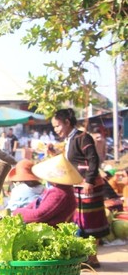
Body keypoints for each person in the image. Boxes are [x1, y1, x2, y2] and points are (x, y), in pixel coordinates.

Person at [51, 108, 109, 268]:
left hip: (87, 187)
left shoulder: (83, 137)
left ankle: (92, 258)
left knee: (91, 223)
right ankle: (87, 256)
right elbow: (73, 159)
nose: (56, 130)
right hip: (77, 185)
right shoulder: (71, 139)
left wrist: (89, 181)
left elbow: (93, 159)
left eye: (57, 126)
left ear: (67, 122)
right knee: (81, 223)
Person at [13, 154, 83, 226]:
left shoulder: (59, 193)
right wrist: (22, 211)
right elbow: (35, 203)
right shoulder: (57, 189)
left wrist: (17, 212)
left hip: (51, 232)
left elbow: (39, 215)